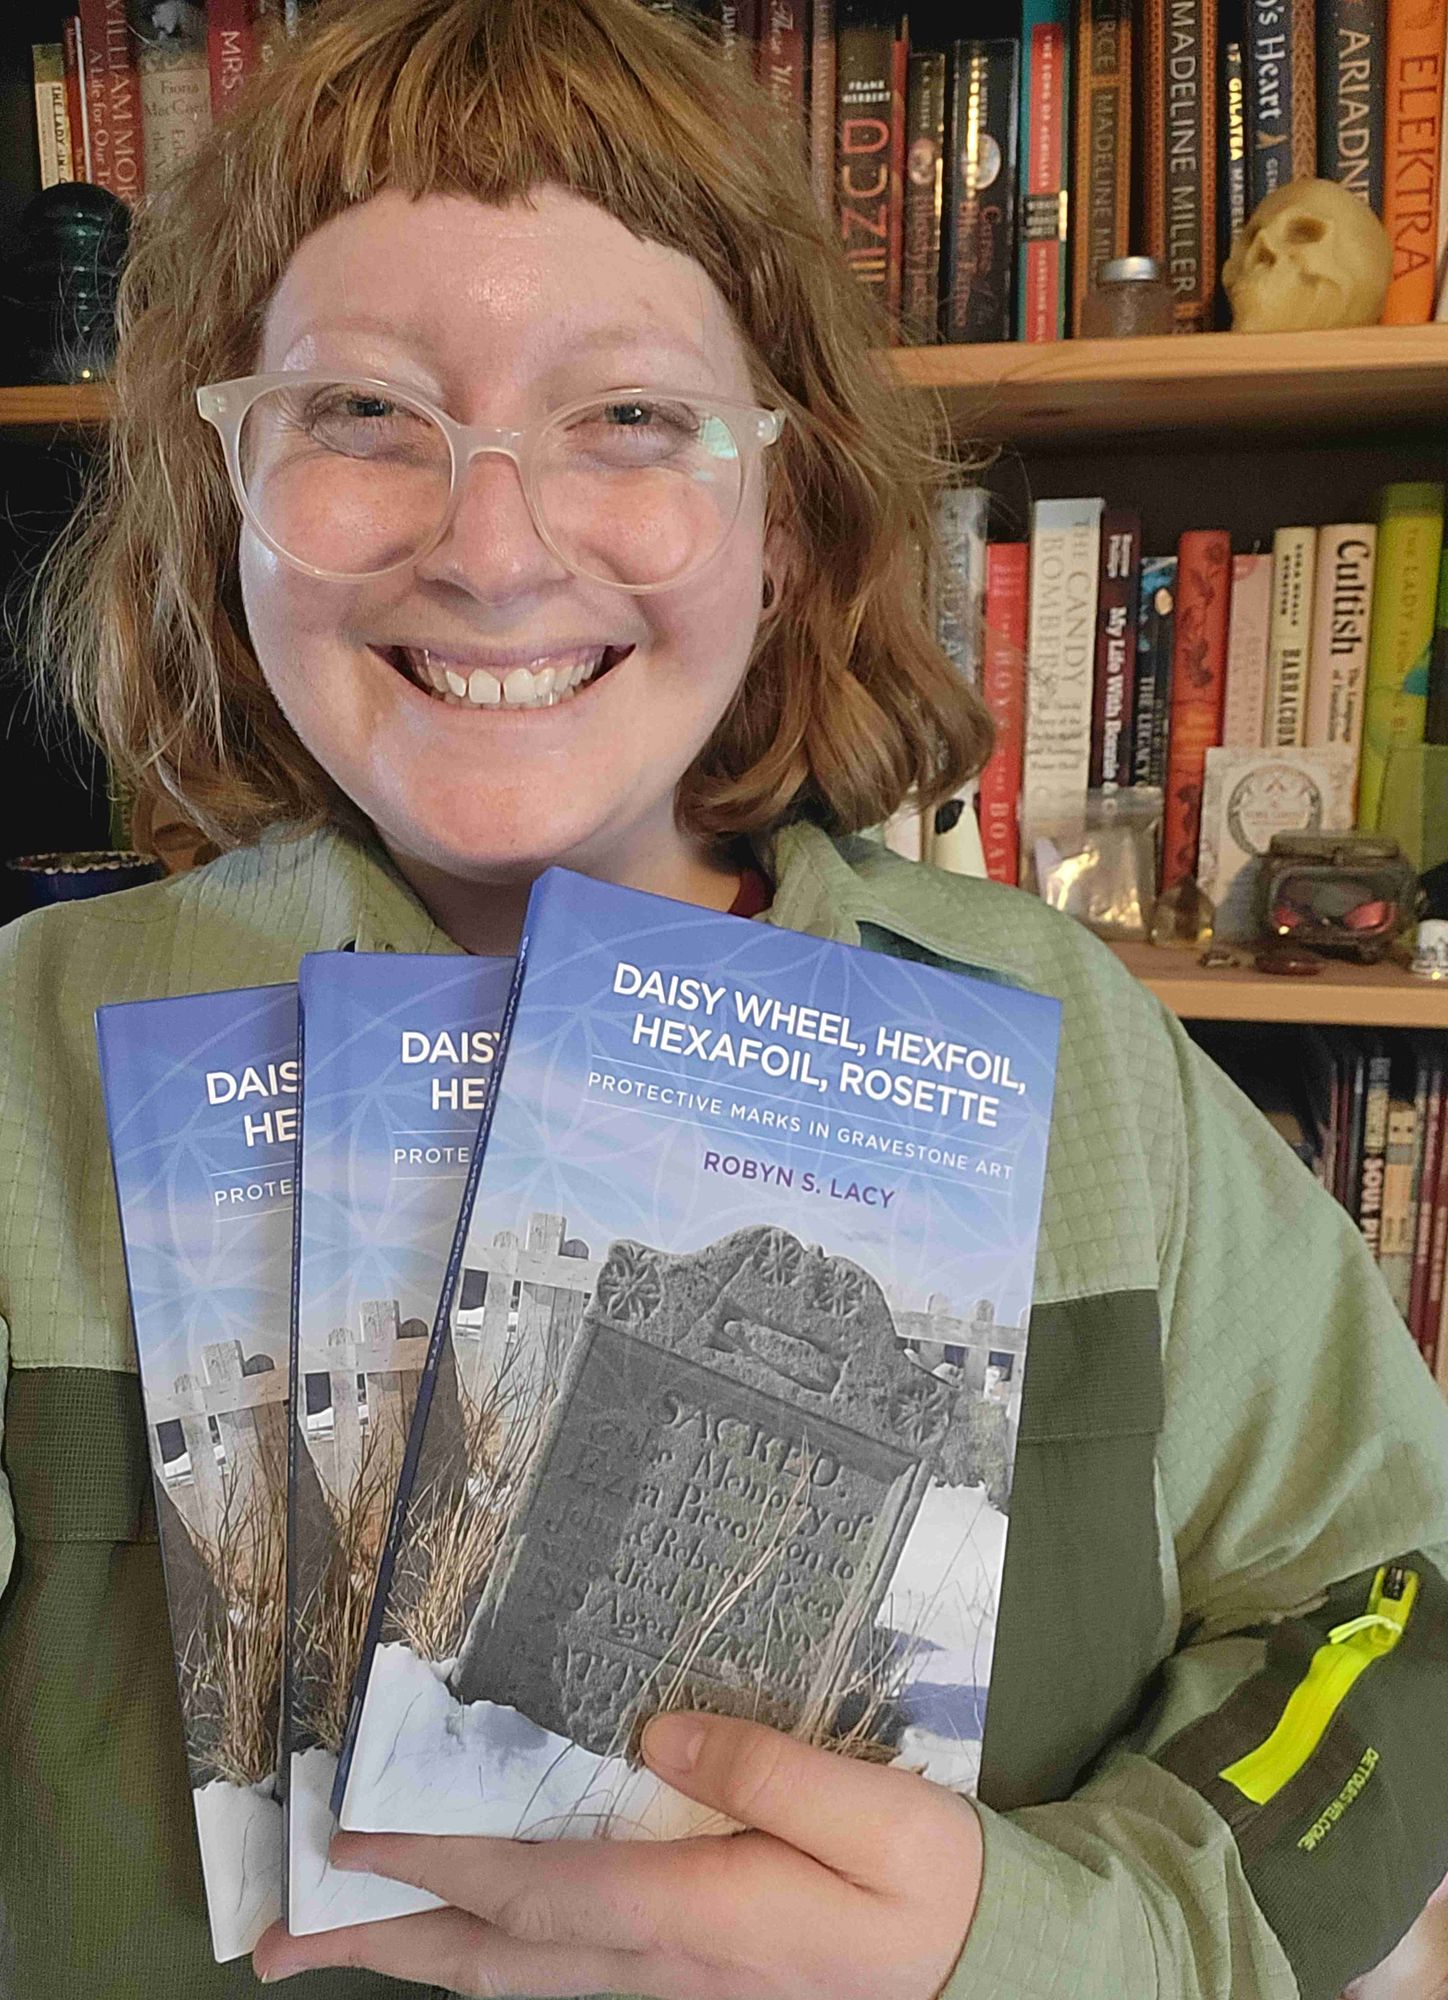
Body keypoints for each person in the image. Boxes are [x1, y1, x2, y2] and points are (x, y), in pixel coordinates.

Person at [1, 0, 1445, 1995]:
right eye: (359, 413)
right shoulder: (20, 1067)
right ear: (221, 491)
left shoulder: (1072, 1054)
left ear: (785, 514)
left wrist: (1046, 1941)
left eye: (625, 416)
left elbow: (1394, 1597)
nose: (491, 547)